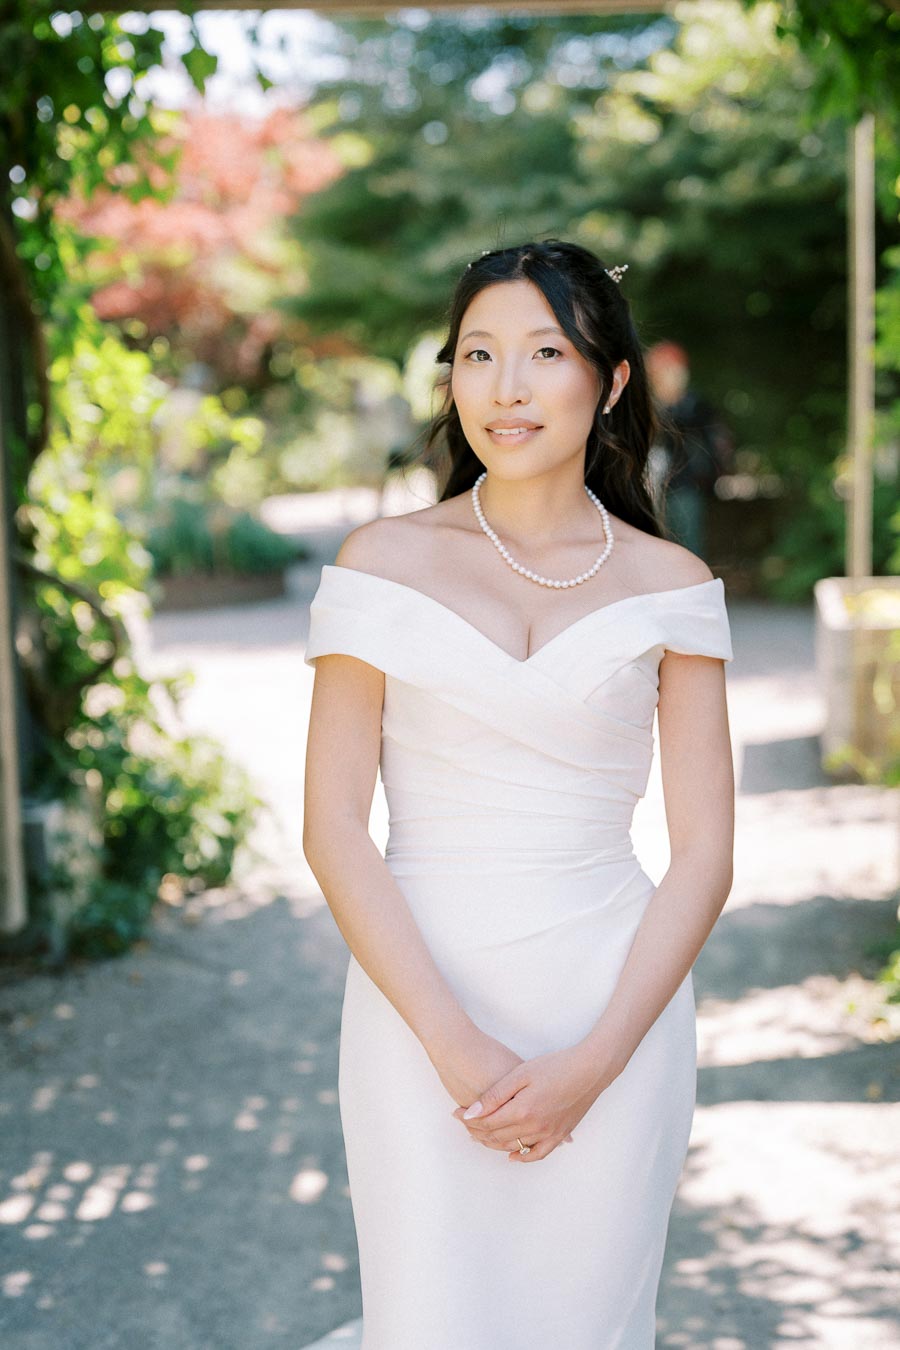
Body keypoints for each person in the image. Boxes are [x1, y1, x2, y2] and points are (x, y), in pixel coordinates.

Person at [302, 239, 735, 1349]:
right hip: (418, 1011)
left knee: (588, 1322)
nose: (506, 386)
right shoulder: (382, 561)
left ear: (612, 381)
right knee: (432, 1317)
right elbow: (333, 829)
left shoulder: (672, 587)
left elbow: (704, 858)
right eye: (478, 354)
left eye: (545, 353)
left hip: (616, 1012)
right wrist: (454, 1045)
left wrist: (594, 1066)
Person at [645, 340, 734, 561]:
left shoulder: (693, 405)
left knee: (688, 548)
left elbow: (687, 427)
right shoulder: (650, 405)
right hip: (655, 487)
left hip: (686, 485)